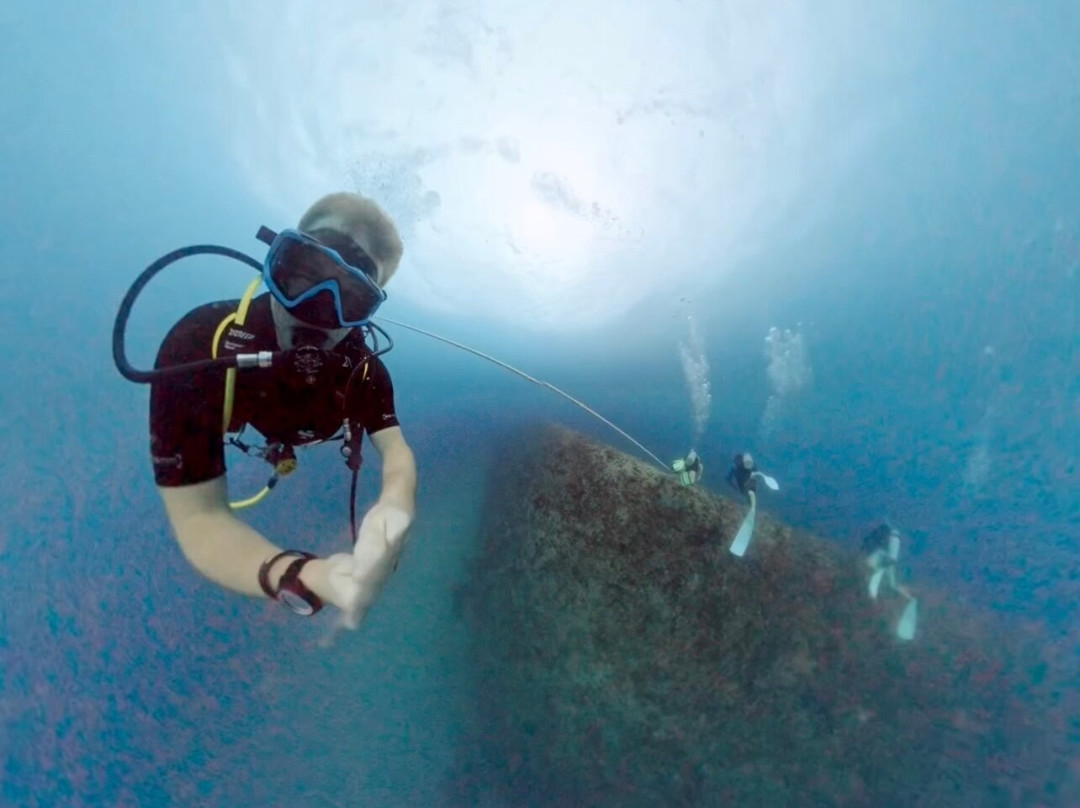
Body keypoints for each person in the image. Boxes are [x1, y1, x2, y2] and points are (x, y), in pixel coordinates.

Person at [147, 192, 417, 628]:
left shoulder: (363, 371)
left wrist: (395, 508)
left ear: (365, 313)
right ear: (275, 264)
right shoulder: (201, 345)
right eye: (304, 274)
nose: (317, 309)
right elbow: (199, 515)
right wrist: (302, 576)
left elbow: (396, 454)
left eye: (349, 296)